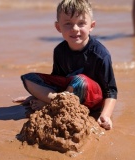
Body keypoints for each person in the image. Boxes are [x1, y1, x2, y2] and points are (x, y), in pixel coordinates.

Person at [13, 0, 118, 130]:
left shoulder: (101, 55)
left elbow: (111, 91)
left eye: (81, 23)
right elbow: (58, 79)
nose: (75, 29)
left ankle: (52, 104)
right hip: (67, 92)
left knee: (79, 80)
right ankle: (55, 101)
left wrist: (105, 115)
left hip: (92, 98)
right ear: (58, 27)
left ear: (91, 26)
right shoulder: (59, 51)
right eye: (68, 24)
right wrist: (37, 93)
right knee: (29, 78)